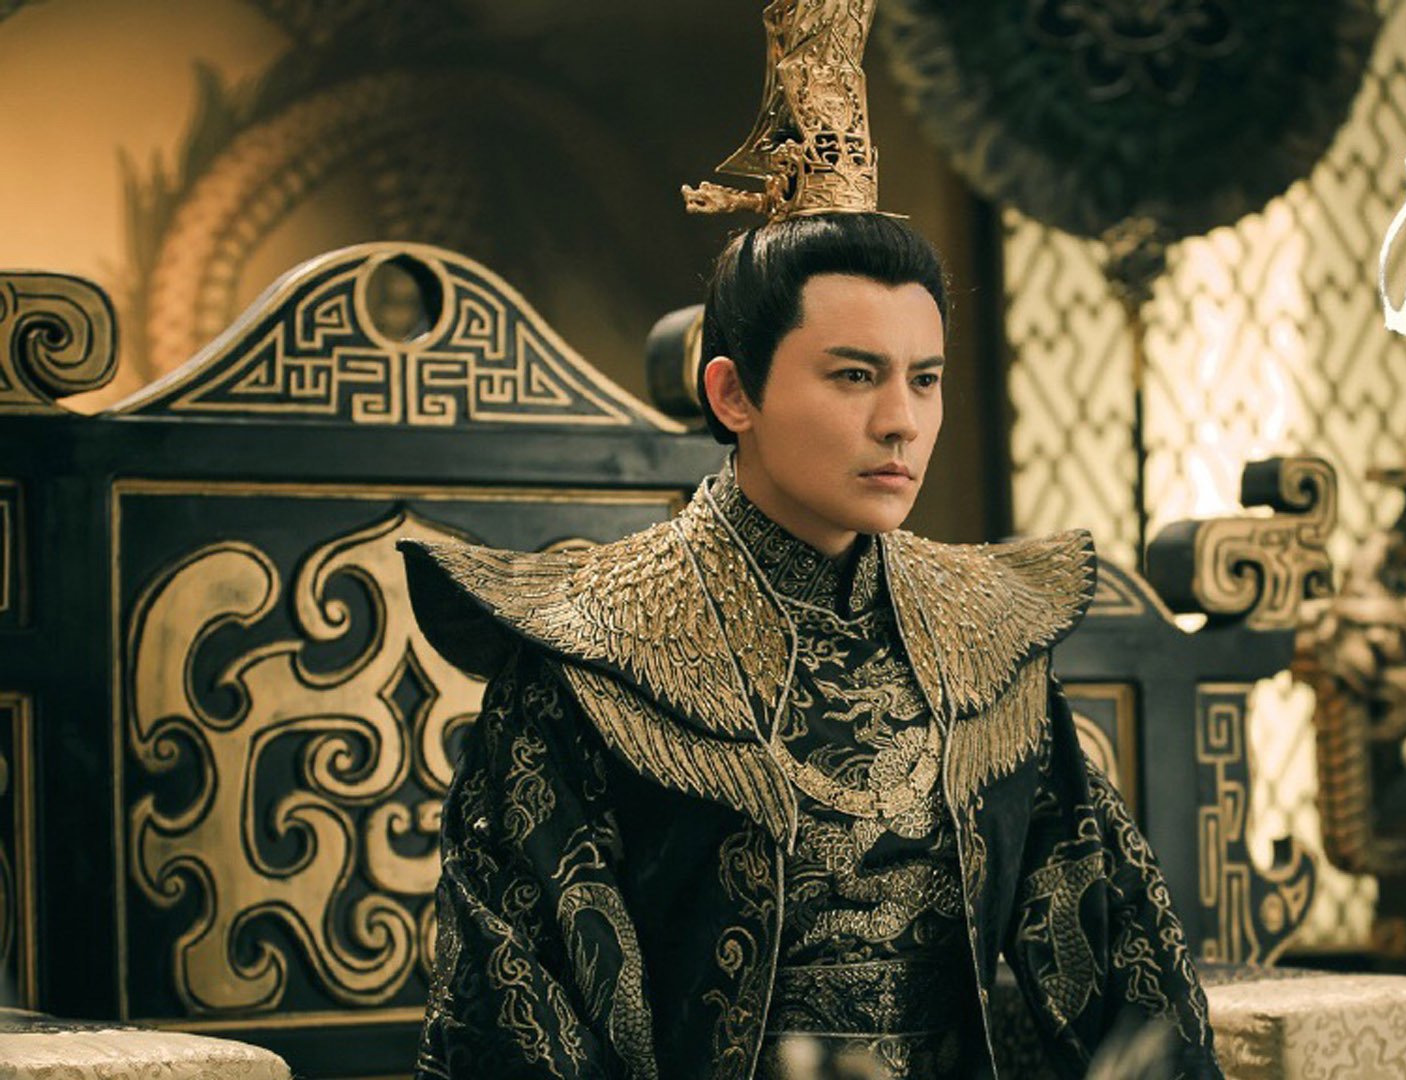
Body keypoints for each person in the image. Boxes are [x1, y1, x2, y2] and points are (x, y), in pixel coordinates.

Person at [400, 211, 1222, 1080]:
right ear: (733, 394)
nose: (901, 421)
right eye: (855, 375)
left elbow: (1121, 956)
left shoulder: (988, 634)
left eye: (926, 379)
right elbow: (521, 1011)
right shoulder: (588, 647)